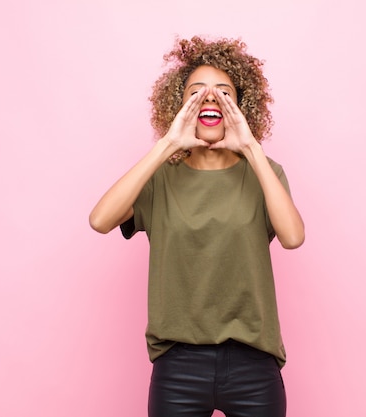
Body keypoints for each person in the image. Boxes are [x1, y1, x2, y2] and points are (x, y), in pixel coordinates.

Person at [89, 36, 304, 417]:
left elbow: (292, 237)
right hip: (178, 367)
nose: (211, 99)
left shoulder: (265, 174)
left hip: (254, 365)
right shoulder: (160, 178)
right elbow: (100, 220)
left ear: (240, 105)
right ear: (179, 104)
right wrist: (168, 142)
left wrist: (251, 148)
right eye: (196, 93)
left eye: (224, 92)